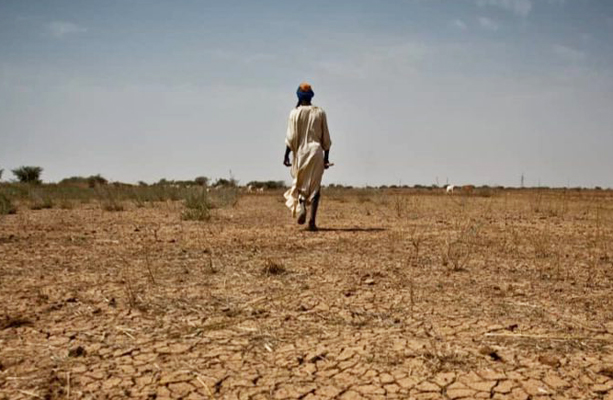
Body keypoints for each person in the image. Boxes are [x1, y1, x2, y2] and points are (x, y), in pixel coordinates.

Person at [283, 82, 332, 231]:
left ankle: (302, 205)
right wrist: (326, 158)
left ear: (298, 96)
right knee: (315, 188)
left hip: (301, 154)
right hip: (316, 152)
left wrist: (286, 155)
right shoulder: (320, 112)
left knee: (300, 184)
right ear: (311, 96)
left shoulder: (294, 113)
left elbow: (291, 138)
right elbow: (326, 139)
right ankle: (312, 222)